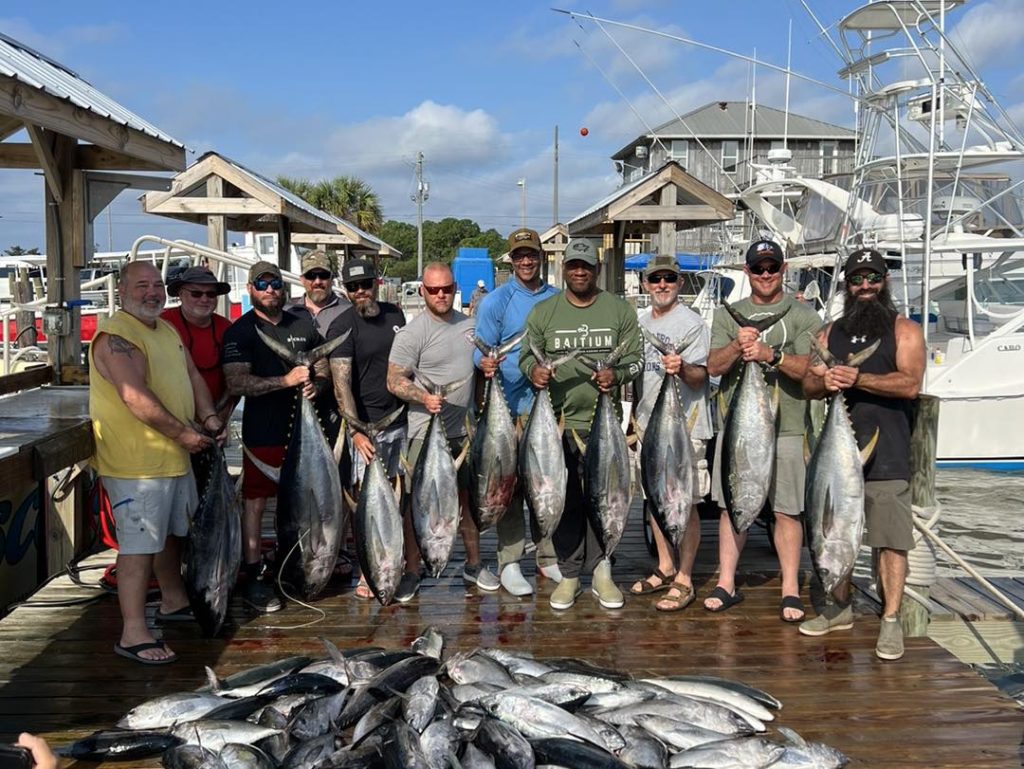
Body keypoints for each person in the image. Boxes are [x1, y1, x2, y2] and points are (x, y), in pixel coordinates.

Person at [89, 261, 221, 664]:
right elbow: (134, 396)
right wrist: (184, 434)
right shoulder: (115, 336)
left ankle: (173, 600)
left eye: (157, 285)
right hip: (137, 465)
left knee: (169, 535)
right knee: (137, 548)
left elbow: (193, 376)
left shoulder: (164, 330)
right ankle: (132, 633)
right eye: (141, 285)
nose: (151, 292)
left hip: (173, 457)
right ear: (123, 290)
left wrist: (210, 417)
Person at [798, 248, 925, 661]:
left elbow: (909, 384)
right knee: (835, 528)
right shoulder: (828, 334)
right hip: (835, 456)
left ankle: (890, 621)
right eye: (857, 279)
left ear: (884, 281)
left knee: (890, 541)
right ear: (847, 285)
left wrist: (859, 377)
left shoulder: (904, 330)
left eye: (872, 278)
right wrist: (825, 378)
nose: (865, 285)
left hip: (886, 452)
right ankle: (839, 608)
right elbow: (808, 386)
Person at [519, 239, 643, 611]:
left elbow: (636, 360)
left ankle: (603, 569)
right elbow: (526, 358)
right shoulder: (544, 312)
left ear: (597, 269)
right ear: (564, 268)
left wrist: (616, 374)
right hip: (558, 426)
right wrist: (535, 371)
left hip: (606, 427)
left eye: (586, 266)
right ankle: (570, 573)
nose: (579, 271)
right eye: (573, 265)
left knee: (607, 500)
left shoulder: (620, 310)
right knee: (566, 502)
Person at [703, 239, 820, 621]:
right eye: (758, 268)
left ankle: (789, 588)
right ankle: (726, 582)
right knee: (731, 504)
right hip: (738, 427)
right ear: (747, 272)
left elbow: (812, 371)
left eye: (772, 268)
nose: (765, 274)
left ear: (783, 270)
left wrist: (773, 355)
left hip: (788, 426)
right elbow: (714, 367)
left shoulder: (804, 316)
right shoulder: (727, 315)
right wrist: (739, 346)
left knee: (788, 509)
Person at [222, 260, 329, 614]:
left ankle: (300, 563)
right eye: (262, 284)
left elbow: (323, 369)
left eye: (275, 284)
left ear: (284, 288)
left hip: (304, 431)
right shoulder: (241, 332)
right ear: (251, 289)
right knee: (255, 504)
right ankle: (254, 574)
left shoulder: (303, 325)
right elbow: (237, 383)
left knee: (311, 501)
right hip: (263, 432)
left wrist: (315, 385)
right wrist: (286, 381)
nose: (270, 290)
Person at [387, 261, 498, 600]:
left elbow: (477, 370)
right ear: (422, 291)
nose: (440, 295)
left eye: (446, 289)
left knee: (466, 500)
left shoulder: (470, 325)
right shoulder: (412, 333)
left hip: (463, 433)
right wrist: (424, 396)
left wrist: (487, 371)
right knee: (416, 503)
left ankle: (474, 563)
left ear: (455, 289)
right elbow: (393, 380)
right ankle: (412, 569)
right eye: (433, 289)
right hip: (424, 433)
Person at [474, 227, 561, 596]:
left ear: (542, 257)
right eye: (519, 255)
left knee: (548, 483)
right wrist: (485, 364)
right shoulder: (496, 301)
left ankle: (548, 556)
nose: (526, 261)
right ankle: (509, 560)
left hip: (547, 408)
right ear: (511, 260)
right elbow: (480, 351)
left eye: (532, 255)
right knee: (506, 485)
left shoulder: (559, 298)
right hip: (507, 408)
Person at [630, 254, 712, 612]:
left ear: (679, 283)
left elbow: (702, 376)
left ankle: (685, 577)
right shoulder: (638, 322)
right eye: (655, 279)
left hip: (687, 427)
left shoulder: (693, 323)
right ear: (646, 284)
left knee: (686, 501)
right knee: (654, 496)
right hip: (647, 425)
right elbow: (634, 377)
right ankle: (665, 566)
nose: (662, 285)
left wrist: (681, 368)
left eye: (669, 278)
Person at [328, 258, 408, 600]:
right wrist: (356, 430)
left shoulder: (396, 315)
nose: (360, 292)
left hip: (399, 422)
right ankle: (366, 569)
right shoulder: (341, 327)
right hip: (365, 429)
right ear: (345, 291)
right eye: (353, 287)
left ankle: (394, 560)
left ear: (376, 282)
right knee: (363, 504)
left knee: (398, 497)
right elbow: (340, 384)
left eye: (365, 285)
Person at [162, 266, 236, 493]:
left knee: (209, 493)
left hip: (212, 427)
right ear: (180, 294)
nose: (204, 299)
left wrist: (218, 421)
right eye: (196, 293)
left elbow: (235, 383)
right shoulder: (162, 325)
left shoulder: (227, 328)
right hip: (171, 430)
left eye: (211, 294)